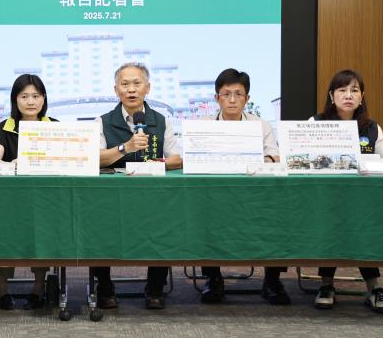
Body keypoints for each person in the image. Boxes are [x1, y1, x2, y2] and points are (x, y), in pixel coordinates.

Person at [198, 68, 291, 305]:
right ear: (217, 97)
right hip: (216, 194)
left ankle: (272, 281)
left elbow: (275, 156)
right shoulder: (202, 125)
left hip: (255, 193)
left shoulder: (261, 125)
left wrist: (256, 160)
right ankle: (213, 278)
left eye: (238, 94)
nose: (232, 99)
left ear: (247, 98)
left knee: (278, 215)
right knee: (203, 216)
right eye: (226, 94)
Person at [94, 62, 182, 310]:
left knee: (164, 225)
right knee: (97, 226)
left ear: (148, 87)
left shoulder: (161, 120)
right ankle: (104, 287)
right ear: (116, 90)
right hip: (111, 196)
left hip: (152, 194)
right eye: (125, 84)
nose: (131, 89)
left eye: (136, 83)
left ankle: (155, 287)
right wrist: (126, 148)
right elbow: (94, 158)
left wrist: (158, 163)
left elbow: (176, 158)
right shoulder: (102, 121)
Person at [311, 69, 383, 313]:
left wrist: (364, 164)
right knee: (332, 223)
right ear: (332, 96)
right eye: (342, 90)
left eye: (354, 90)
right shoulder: (316, 123)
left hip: (362, 201)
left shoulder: (371, 128)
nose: (348, 95)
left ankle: (374, 287)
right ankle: (326, 285)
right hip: (324, 199)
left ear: (362, 97)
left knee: (360, 223)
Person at [0, 74, 55, 310]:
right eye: (24, 96)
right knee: (7, 237)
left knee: (42, 238)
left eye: (36, 96)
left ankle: (38, 288)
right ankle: (2, 289)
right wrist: (12, 164)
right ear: (15, 99)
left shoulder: (54, 126)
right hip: (11, 199)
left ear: (43, 98)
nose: (30, 101)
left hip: (44, 199)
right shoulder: (6, 127)